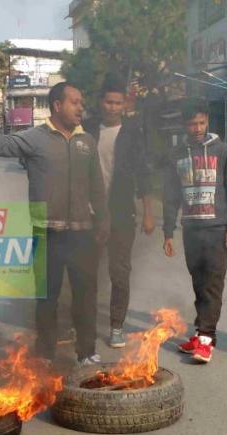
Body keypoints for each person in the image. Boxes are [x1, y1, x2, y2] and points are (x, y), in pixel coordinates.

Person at [0, 82, 109, 366]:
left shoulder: (87, 141)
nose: (80, 108)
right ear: (57, 105)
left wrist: (102, 221)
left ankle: (87, 350)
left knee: (85, 295)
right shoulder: (35, 138)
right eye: (75, 102)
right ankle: (46, 353)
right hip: (46, 232)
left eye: (82, 102)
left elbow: (97, 186)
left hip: (82, 233)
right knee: (47, 298)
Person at [163, 101, 227, 364]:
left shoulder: (223, 152)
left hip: (216, 231)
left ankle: (207, 339)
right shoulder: (177, 154)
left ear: (207, 121)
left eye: (200, 122)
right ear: (184, 125)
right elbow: (171, 197)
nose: (196, 128)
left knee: (212, 286)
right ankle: (201, 334)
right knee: (199, 284)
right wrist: (168, 232)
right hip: (191, 230)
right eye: (191, 123)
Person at [84, 77, 154, 348]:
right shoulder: (88, 129)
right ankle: (84, 322)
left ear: (124, 105)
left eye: (117, 103)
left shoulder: (132, 134)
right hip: (90, 213)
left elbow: (144, 174)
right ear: (101, 103)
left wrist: (148, 212)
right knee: (86, 271)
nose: (112, 107)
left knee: (119, 271)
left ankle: (116, 326)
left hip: (122, 213)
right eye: (108, 102)